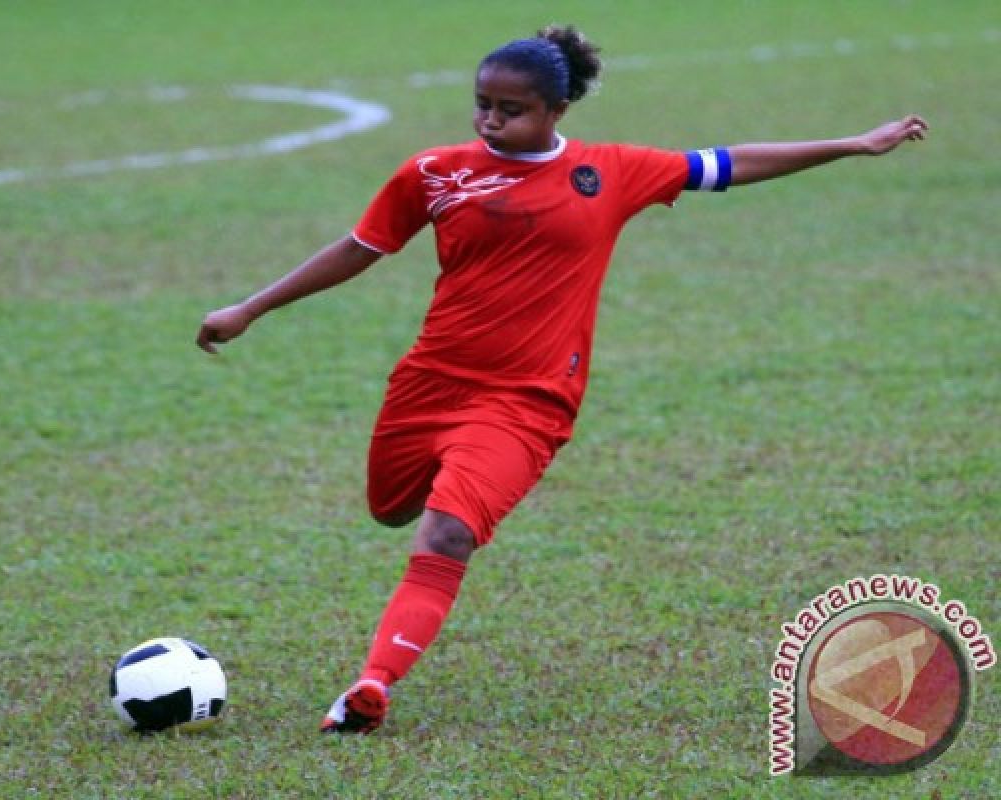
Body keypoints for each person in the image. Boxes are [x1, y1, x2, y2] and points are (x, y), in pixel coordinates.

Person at [196, 25, 927, 734]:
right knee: (389, 510)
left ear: (557, 112)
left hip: (527, 401)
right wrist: (252, 308)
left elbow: (731, 163)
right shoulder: (434, 173)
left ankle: (371, 686)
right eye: (481, 104)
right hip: (428, 384)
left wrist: (852, 145)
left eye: (509, 110)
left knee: (446, 533)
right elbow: (360, 249)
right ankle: (437, 514)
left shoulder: (610, 172)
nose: (489, 120)